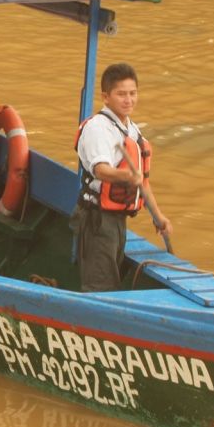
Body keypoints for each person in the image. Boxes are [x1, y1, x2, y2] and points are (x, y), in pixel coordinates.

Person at [71, 63, 172, 292]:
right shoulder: (98, 128)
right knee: (101, 286)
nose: (129, 100)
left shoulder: (131, 129)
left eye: (133, 93)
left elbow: (142, 182)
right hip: (97, 219)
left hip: (117, 220)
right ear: (106, 97)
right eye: (121, 94)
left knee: (110, 278)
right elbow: (100, 169)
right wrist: (124, 175)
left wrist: (158, 217)